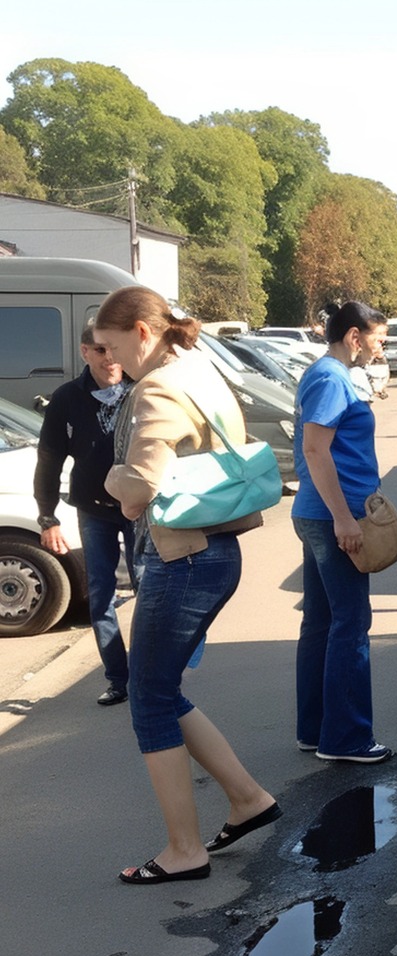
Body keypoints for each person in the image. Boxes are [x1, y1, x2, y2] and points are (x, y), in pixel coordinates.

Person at [97, 286, 279, 884]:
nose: (108, 358)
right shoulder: (197, 368)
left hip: (185, 559)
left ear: (142, 333)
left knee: (148, 699)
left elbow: (141, 485)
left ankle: (184, 849)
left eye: (112, 344)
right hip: (212, 552)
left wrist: (111, 480)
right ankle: (247, 799)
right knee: (161, 689)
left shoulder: (157, 388)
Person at [293, 300, 393, 764]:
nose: (380, 348)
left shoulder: (327, 376)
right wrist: (343, 518)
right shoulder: (331, 377)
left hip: (323, 513)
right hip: (333, 516)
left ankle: (316, 729)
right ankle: (346, 738)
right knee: (350, 624)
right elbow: (317, 451)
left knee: (322, 622)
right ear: (355, 336)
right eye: (378, 339)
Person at [34, 334, 132, 705]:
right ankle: (118, 679)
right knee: (101, 596)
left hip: (139, 508)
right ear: (85, 352)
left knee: (152, 591)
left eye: (115, 351)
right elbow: (48, 460)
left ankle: (153, 674)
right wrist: (48, 517)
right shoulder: (67, 398)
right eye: (101, 352)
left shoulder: (140, 388)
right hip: (93, 509)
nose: (110, 360)